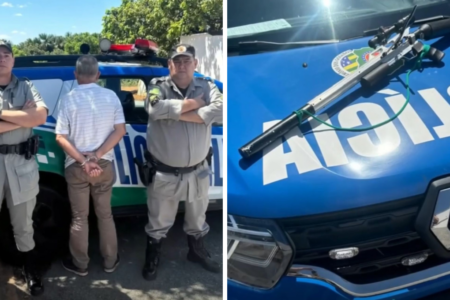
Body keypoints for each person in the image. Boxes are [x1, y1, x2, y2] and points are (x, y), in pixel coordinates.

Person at [141, 43, 223, 280]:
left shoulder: (207, 85)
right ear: (170, 65)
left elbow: (221, 110)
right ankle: (153, 255)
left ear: (195, 64)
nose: (182, 65)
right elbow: (155, 110)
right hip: (165, 171)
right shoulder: (158, 86)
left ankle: (196, 252)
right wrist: (196, 105)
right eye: (177, 61)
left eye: (187, 61)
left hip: (200, 169)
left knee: (199, 216)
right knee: (158, 220)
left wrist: (177, 114)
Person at [55, 55, 125, 277]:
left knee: (79, 217)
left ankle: (80, 264)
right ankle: (110, 261)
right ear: (98, 75)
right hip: (104, 165)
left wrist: (85, 161)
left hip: (76, 166)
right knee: (105, 215)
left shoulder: (68, 99)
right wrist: (97, 156)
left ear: (75, 75)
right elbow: (120, 130)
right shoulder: (111, 96)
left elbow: (60, 137)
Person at [0, 40, 48, 296]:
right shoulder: (25, 97)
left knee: (24, 225)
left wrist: (5, 116)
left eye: (6, 54)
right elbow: (31, 117)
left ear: (13, 59)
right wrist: (22, 116)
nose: (2, 58)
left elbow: (40, 117)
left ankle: (30, 270)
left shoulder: (27, 86)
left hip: (21, 166)